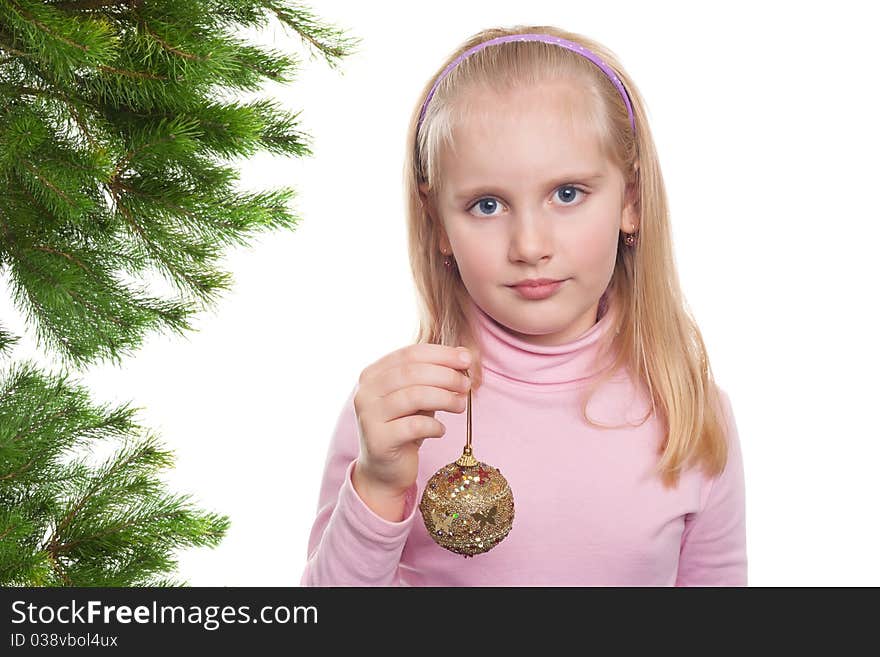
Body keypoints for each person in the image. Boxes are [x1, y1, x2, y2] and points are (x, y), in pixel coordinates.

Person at [299, 25, 747, 586]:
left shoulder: (690, 410)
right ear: (438, 222)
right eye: (488, 205)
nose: (530, 246)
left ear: (630, 201)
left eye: (567, 194)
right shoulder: (401, 414)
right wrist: (380, 486)